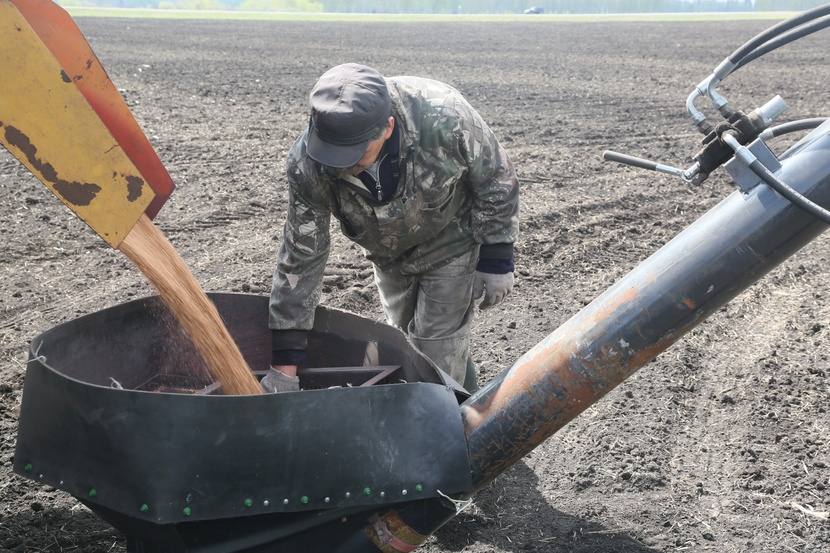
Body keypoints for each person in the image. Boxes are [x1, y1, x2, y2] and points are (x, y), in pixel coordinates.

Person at [262, 63, 519, 393]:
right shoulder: (308, 163)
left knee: (434, 354)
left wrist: (497, 255)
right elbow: (301, 255)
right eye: (333, 153)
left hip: (451, 240)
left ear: (387, 128)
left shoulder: (444, 116)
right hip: (388, 255)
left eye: (354, 154)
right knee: (405, 345)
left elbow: (496, 176)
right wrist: (285, 366)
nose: (341, 165)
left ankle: (450, 430)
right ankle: (470, 407)